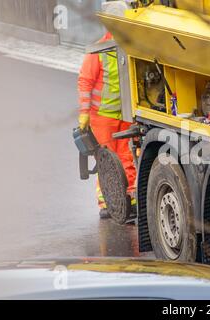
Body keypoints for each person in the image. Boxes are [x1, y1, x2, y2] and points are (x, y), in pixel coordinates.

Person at [77, 26, 136, 218]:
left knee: (127, 157)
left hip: (125, 115)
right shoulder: (99, 50)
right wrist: (84, 113)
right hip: (103, 117)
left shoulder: (129, 46)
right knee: (107, 161)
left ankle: (130, 199)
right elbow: (85, 81)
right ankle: (106, 203)